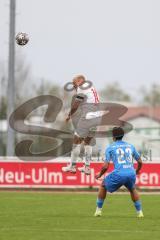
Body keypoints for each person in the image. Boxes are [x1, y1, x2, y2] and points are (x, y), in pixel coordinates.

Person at [94, 127, 144, 218]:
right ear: (122, 136)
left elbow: (105, 166)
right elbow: (140, 162)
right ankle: (140, 212)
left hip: (119, 174)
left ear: (113, 137)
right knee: (132, 189)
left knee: (103, 185)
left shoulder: (110, 148)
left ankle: (98, 211)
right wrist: (137, 171)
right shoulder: (130, 146)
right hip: (131, 173)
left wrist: (100, 174)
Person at [62, 75, 100, 175]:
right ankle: (87, 167)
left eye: (74, 83)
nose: (74, 87)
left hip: (88, 116)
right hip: (96, 117)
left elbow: (76, 104)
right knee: (88, 141)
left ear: (80, 81)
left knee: (76, 139)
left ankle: (73, 166)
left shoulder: (81, 87)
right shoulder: (91, 88)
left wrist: (69, 114)